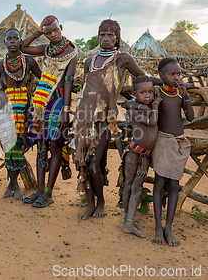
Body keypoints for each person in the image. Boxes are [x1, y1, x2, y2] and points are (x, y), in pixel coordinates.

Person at [74, 19, 162, 220]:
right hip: (83, 116)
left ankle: (101, 202)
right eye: (102, 34)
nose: (105, 39)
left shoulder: (123, 59)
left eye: (110, 35)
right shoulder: (89, 61)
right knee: (83, 163)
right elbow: (86, 90)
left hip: (105, 118)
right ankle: (90, 204)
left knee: (95, 163)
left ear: (117, 38)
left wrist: (169, 83)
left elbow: (144, 78)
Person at [21, 16, 78, 207]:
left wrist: (66, 110)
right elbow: (23, 47)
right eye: (48, 33)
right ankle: (39, 190)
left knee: (54, 147)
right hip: (41, 101)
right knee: (41, 147)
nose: (53, 35)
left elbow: (68, 81)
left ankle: (49, 192)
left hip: (58, 101)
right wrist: (38, 31)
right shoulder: (46, 49)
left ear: (60, 27)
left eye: (55, 30)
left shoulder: (71, 52)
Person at [0, 28, 41, 200]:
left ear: (20, 41)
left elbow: (43, 79)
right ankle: (14, 184)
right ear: (4, 42)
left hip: (25, 111)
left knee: (19, 145)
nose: (12, 41)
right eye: (9, 39)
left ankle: (13, 184)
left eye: (15, 38)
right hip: (6, 111)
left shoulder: (29, 62)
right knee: (8, 147)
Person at [151, 58, 194, 246]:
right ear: (161, 76)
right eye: (172, 74)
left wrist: (186, 95)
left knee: (175, 183)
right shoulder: (156, 93)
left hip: (178, 142)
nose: (177, 77)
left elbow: (190, 117)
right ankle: (157, 226)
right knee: (159, 182)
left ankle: (169, 226)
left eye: (179, 73)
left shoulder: (179, 93)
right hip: (162, 141)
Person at [121, 76, 160, 237]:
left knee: (136, 187)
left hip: (145, 155)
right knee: (128, 184)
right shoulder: (132, 111)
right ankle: (126, 218)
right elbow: (152, 122)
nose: (148, 95)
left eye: (151, 92)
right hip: (133, 152)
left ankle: (129, 220)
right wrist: (156, 104)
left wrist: (148, 101)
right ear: (134, 93)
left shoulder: (143, 107)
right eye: (142, 92)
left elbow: (160, 84)